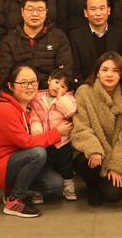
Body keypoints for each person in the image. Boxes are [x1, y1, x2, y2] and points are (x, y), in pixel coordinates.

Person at [0, 65, 72, 218]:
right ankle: (14, 201)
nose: (30, 87)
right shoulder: (4, 109)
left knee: (55, 185)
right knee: (38, 153)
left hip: (14, 160)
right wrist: (57, 133)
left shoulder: (29, 105)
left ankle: (11, 189)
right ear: (10, 86)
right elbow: (26, 143)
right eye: (23, 83)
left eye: (33, 82)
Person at [71, 52, 122, 207]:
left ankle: (103, 182)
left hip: (113, 153)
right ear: (97, 72)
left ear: (121, 74)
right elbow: (81, 127)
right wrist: (94, 149)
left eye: (115, 71)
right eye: (105, 70)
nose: (109, 74)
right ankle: (92, 186)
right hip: (91, 152)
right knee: (87, 161)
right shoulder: (84, 92)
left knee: (114, 195)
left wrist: (116, 165)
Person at [0, 0, 73, 88]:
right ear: (22, 11)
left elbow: (65, 71)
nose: (35, 14)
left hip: (50, 90)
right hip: (21, 90)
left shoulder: (58, 37)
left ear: (46, 12)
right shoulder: (9, 41)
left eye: (40, 10)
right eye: (30, 9)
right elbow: (6, 74)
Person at [29, 70, 78, 201]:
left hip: (63, 141)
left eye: (63, 86)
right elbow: (34, 115)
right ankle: (38, 189)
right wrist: (36, 128)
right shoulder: (37, 97)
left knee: (66, 165)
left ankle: (69, 186)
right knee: (44, 164)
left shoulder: (68, 99)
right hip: (45, 140)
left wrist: (61, 99)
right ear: (49, 80)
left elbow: (70, 112)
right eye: (56, 82)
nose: (58, 87)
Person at [69, 0, 122, 87]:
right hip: (87, 88)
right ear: (86, 13)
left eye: (102, 8)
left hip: (116, 88)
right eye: (93, 9)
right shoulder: (75, 37)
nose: (98, 13)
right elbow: (75, 71)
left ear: (108, 10)